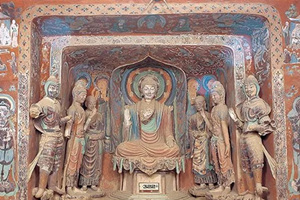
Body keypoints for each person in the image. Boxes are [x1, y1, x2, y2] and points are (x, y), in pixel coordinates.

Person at [229, 75, 276, 199]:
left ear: (256, 88)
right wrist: (237, 121)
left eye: (251, 87)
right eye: (246, 87)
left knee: (256, 163)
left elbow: (265, 125)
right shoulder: (244, 105)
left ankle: (258, 192)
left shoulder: (260, 104)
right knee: (245, 164)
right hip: (243, 138)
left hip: (253, 138)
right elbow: (244, 123)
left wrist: (252, 127)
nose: (249, 89)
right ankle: (250, 191)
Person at [115, 74, 179, 164]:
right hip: (139, 144)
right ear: (141, 91)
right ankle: (147, 154)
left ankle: (146, 155)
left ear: (156, 91)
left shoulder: (164, 109)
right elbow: (127, 136)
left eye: (152, 88)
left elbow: (168, 132)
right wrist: (126, 122)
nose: (149, 92)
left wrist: (169, 140)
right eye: (146, 89)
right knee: (121, 148)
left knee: (175, 149)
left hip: (157, 145)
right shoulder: (133, 109)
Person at [28, 76, 71, 198]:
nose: (54, 90)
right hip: (49, 137)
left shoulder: (57, 103)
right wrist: (34, 110)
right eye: (52, 87)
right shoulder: (44, 102)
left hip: (58, 136)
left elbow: (56, 122)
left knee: (56, 163)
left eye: (56, 88)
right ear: (47, 88)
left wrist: (66, 119)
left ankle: (52, 185)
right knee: (46, 163)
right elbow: (35, 109)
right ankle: (42, 187)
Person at [208, 81, 235, 197]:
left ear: (221, 95)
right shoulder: (214, 109)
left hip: (221, 140)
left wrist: (227, 144)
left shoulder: (223, 108)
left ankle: (228, 185)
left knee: (224, 162)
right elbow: (211, 126)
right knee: (216, 163)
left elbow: (224, 127)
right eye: (212, 95)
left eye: (216, 95)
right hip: (214, 139)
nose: (214, 97)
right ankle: (220, 184)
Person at [188, 96, 217, 196]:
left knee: (208, 162)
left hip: (207, 143)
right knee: (199, 163)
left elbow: (213, 129)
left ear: (204, 104)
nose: (199, 106)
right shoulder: (193, 118)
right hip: (198, 143)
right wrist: (195, 134)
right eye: (197, 104)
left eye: (201, 103)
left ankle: (211, 182)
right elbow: (191, 130)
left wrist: (204, 116)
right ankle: (202, 182)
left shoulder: (209, 115)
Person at [64, 82, 87, 195]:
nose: (83, 97)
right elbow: (69, 124)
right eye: (81, 95)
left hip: (81, 138)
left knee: (78, 163)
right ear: (75, 95)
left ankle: (73, 185)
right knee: (72, 162)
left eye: (84, 95)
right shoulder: (72, 108)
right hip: (74, 138)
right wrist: (68, 133)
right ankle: (68, 186)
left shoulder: (81, 109)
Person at [79, 96, 104, 193]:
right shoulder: (84, 114)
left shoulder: (99, 115)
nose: (92, 105)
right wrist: (91, 117)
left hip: (96, 142)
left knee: (96, 163)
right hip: (87, 141)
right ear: (86, 104)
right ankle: (84, 183)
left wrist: (98, 136)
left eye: (94, 103)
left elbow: (102, 131)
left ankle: (93, 183)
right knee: (86, 163)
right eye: (90, 103)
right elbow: (83, 130)